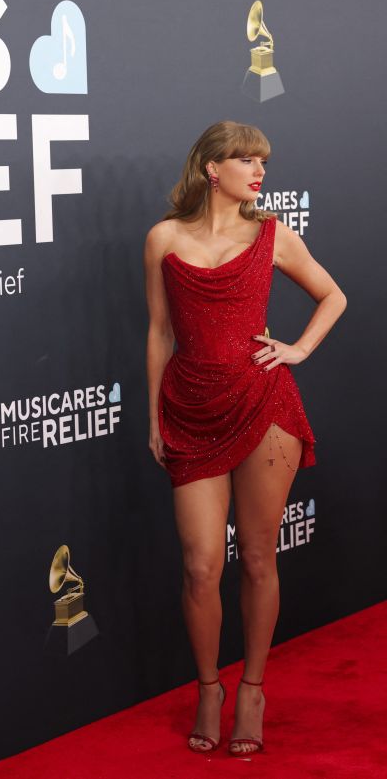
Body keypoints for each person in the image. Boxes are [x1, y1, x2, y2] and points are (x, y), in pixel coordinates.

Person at [142, 121, 346, 755]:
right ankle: (210, 687)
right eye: (246, 160)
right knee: (202, 563)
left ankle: (252, 688)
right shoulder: (163, 238)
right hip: (192, 410)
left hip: (266, 407)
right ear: (211, 167)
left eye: (263, 162)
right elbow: (159, 333)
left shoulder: (274, 235)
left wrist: (298, 350)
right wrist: (153, 416)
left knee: (258, 558)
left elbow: (333, 295)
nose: (260, 172)